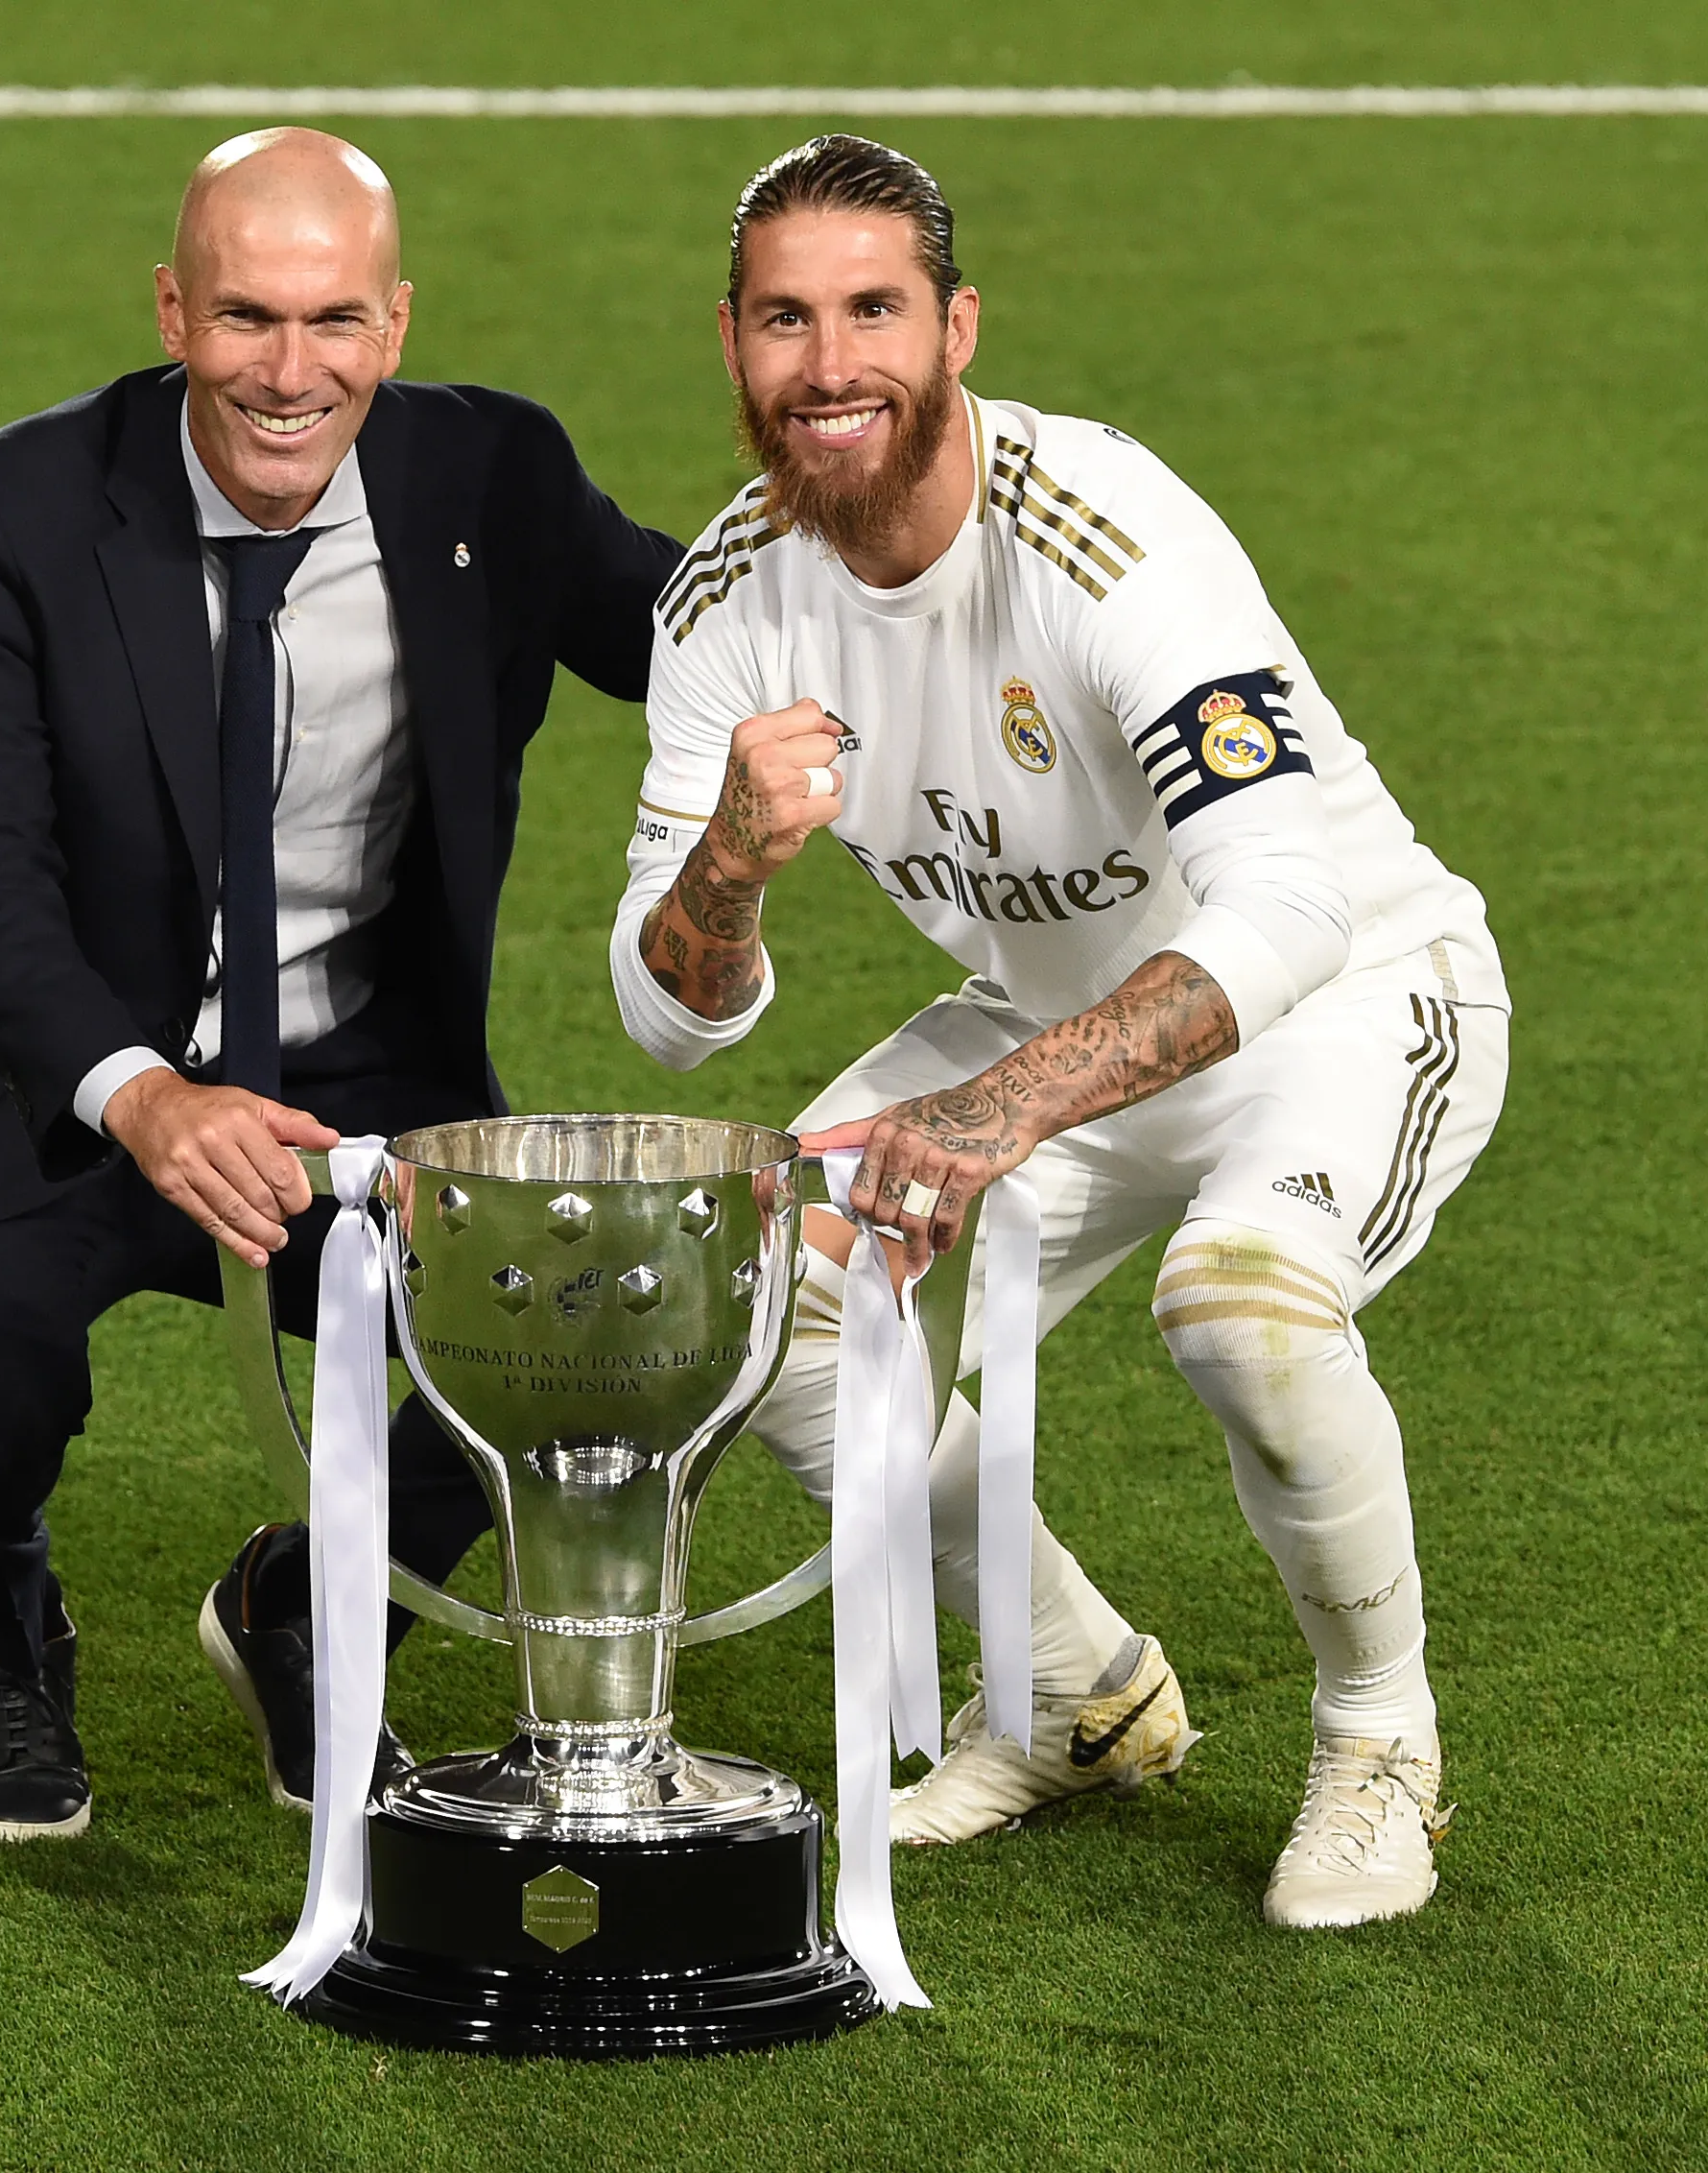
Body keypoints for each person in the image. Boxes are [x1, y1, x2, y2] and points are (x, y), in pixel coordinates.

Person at [610, 136, 1511, 1927]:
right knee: (758, 1284)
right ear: (730, 344)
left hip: (1339, 1004)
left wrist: (1007, 1103)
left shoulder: (1099, 531)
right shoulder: (723, 607)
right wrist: (725, 862)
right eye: (785, 320)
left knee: (1239, 1307)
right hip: (1050, 1030)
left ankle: (1379, 1739)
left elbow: (1289, 903)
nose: (830, 364)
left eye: (874, 310)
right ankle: (1070, 1691)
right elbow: (670, 1024)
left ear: (955, 327)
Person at [0, 129, 682, 1842]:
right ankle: (3, 1625)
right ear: (170, 310)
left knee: (558, 1350)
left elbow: (701, 633)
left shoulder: (488, 477)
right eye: (245, 319)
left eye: (335, 321)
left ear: (397, 319)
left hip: (350, 1063)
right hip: (47, 1063)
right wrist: (139, 1091)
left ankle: (298, 1608)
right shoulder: (2, 513)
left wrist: (914, 600)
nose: (291, 374)